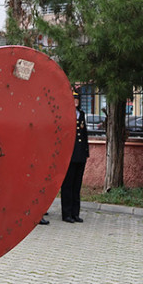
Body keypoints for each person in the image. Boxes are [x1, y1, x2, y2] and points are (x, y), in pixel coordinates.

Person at [60, 91, 90, 223]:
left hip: (80, 154)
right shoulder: (65, 115)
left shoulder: (81, 114)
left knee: (77, 186)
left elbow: (84, 134)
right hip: (70, 155)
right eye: (73, 99)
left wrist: (86, 151)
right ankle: (66, 213)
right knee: (68, 185)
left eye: (77, 99)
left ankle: (75, 213)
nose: (75, 102)